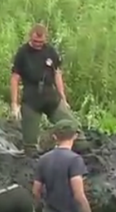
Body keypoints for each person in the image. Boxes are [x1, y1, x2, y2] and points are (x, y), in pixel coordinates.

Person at [10, 24, 76, 156]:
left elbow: (57, 74)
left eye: (40, 42)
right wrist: (14, 104)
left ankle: (73, 150)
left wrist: (62, 97)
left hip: (50, 95)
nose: (38, 44)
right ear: (30, 37)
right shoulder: (23, 53)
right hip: (31, 98)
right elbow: (15, 79)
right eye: (35, 41)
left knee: (72, 127)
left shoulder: (50, 51)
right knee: (30, 148)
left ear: (45, 39)